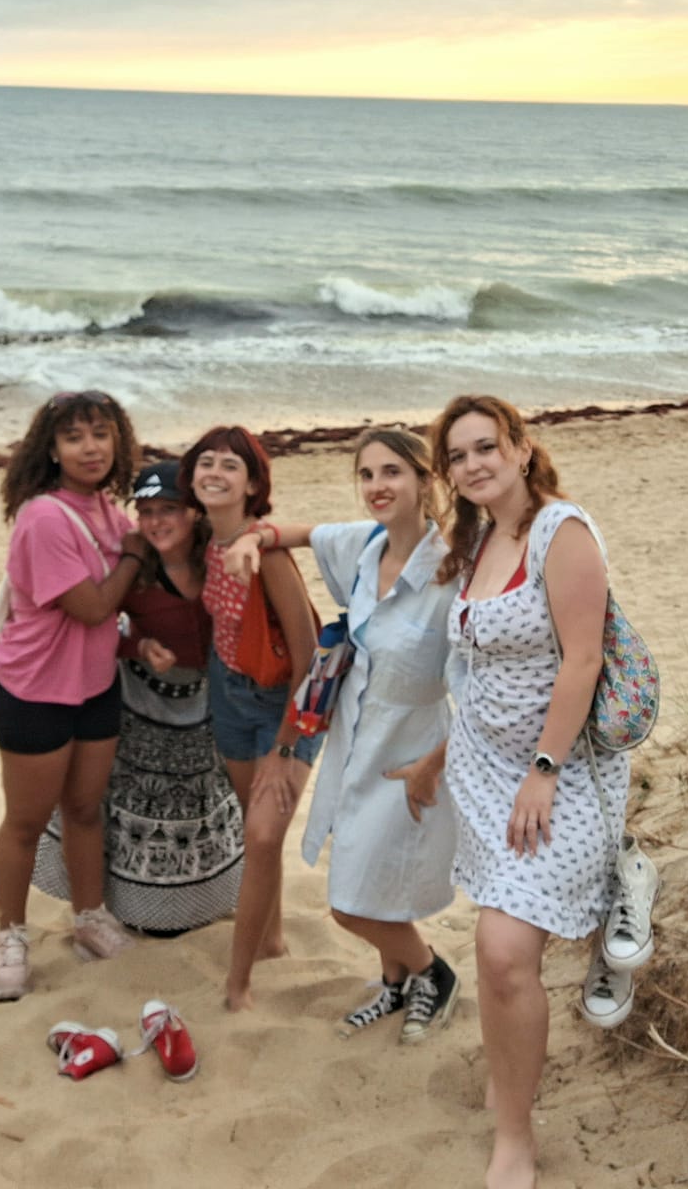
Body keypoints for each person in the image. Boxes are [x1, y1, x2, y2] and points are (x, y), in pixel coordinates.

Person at [432, 394, 631, 1189]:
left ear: (521, 448)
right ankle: (508, 1092)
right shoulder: (479, 535)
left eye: (487, 447)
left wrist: (544, 772)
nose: (474, 464)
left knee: (506, 951)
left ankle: (514, 1136)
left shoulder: (562, 530)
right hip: (482, 770)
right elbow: (474, 661)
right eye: (457, 455)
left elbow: (581, 661)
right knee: (495, 950)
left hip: (559, 773)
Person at [223, 428, 463, 1043]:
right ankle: (394, 983)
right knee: (375, 873)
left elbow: (477, 686)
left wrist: (436, 763)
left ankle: (433, 973)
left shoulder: (452, 571)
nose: (377, 487)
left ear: (424, 480)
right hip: (355, 738)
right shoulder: (362, 545)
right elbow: (289, 533)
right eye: (366, 475)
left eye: (392, 473)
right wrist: (252, 542)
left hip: (413, 750)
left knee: (353, 901)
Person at [32, 459, 245, 933]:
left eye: (168, 508)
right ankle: (130, 908)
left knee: (198, 802)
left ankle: (192, 905)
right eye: (145, 510)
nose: (155, 522)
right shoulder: (133, 565)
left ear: (194, 511)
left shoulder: (219, 558)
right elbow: (92, 620)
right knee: (136, 805)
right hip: (140, 702)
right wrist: (138, 645)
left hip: (206, 703)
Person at [0, 390, 148, 1000]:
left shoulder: (110, 510)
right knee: (25, 823)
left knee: (84, 811)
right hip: (33, 691)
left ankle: (88, 919)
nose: (90, 447)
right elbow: (93, 606)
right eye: (75, 436)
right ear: (50, 449)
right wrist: (134, 556)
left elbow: (117, 620)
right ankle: (10, 937)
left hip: (95, 688)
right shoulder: (45, 517)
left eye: (101, 434)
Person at [179, 423, 320, 1011]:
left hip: (284, 706)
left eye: (230, 465)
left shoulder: (271, 556)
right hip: (228, 695)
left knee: (262, 834)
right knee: (255, 831)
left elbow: (310, 657)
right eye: (205, 461)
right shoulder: (205, 544)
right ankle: (274, 938)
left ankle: (238, 984)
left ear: (253, 482)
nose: (215, 472)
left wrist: (287, 745)